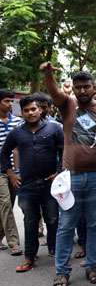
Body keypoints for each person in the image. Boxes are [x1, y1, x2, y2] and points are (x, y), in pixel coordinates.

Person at [40, 64, 96, 286]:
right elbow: (54, 93)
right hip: (72, 177)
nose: (82, 91)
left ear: (94, 87)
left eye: (86, 87)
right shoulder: (68, 105)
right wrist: (48, 74)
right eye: (78, 87)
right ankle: (62, 272)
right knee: (66, 225)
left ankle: (92, 266)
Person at [1, 95, 63, 272]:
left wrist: (59, 171)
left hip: (50, 184)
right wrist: (11, 174)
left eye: (33, 109)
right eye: (26, 110)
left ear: (41, 110)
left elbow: (64, 149)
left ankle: (54, 249)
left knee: (52, 218)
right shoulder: (17, 133)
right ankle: (29, 256)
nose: (30, 113)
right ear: (22, 113)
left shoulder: (53, 129)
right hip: (26, 185)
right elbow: (4, 153)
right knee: (30, 220)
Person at [0, 88, 22, 256]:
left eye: (11, 101)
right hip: (1, 171)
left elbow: (20, 147)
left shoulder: (17, 122)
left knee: (9, 203)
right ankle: (13, 242)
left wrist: (18, 170)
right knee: (5, 202)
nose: (10, 104)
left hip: (16, 170)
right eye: (6, 101)